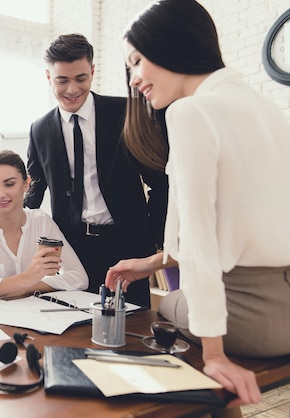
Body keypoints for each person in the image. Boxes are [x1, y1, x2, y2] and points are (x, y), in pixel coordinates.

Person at [107, 0, 290, 407]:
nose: (134, 79)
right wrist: (154, 262)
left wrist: (215, 354)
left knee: (167, 308)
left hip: (250, 320)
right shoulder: (267, 109)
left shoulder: (191, 112)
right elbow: (243, 225)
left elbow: (203, 239)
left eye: (137, 62)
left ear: (169, 43)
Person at [25, 33, 168, 308]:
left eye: (80, 78)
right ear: (48, 77)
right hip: (71, 249)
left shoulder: (127, 112)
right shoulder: (39, 129)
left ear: (92, 71)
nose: (71, 90)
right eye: (61, 80)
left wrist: (154, 239)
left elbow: (160, 181)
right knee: (73, 329)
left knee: (131, 330)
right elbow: (33, 192)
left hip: (127, 245)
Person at [0, 150, 88, 302]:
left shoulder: (41, 221)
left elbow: (79, 277)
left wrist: (28, 287)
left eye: (9, 184)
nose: (0, 194)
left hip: (33, 317)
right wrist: (25, 278)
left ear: (26, 184)